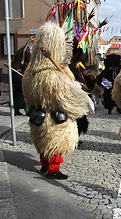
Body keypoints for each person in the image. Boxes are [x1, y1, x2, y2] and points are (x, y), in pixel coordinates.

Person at [22, 22, 91, 179]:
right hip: (55, 118)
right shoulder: (55, 74)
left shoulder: (30, 73)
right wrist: (78, 92)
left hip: (38, 116)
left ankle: (45, 166)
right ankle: (53, 169)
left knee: (43, 141)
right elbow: (67, 100)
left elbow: (28, 97)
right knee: (55, 142)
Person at [11, 43, 31, 115]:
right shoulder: (17, 64)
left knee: (21, 96)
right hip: (19, 82)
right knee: (22, 96)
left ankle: (18, 110)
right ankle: (24, 110)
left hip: (20, 81)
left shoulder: (18, 63)